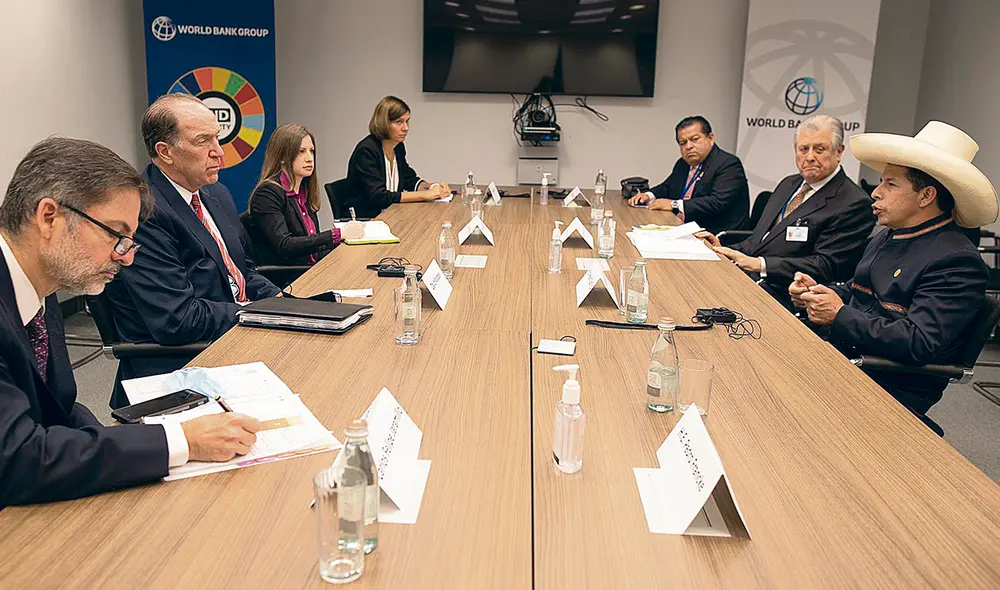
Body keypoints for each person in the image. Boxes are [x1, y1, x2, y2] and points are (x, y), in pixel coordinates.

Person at [0, 137, 261, 506]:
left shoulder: (39, 284)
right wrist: (181, 441)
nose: (126, 258)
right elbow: (15, 459)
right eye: (115, 234)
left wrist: (123, 444)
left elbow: (59, 408)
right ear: (49, 217)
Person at [791, 121, 996, 429]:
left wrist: (839, 315)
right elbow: (855, 289)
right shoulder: (888, 236)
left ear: (926, 196)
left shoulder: (957, 261)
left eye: (890, 184)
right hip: (847, 358)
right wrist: (818, 292)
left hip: (886, 385)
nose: (876, 193)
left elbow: (918, 342)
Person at [105, 94, 280, 408]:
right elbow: (176, 319)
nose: (219, 154)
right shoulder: (144, 211)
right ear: (165, 152)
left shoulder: (216, 193)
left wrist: (282, 303)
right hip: (183, 363)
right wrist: (257, 312)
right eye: (203, 141)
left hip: (233, 336)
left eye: (217, 137)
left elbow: (244, 273)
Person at [699, 115, 875, 308]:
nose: (809, 157)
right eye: (803, 149)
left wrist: (759, 264)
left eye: (819, 149)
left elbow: (825, 265)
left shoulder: (854, 203)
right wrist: (725, 249)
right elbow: (760, 241)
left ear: (839, 152)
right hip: (750, 278)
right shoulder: (789, 184)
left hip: (788, 293)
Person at [628, 116, 750, 233]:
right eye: (682, 143)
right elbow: (667, 186)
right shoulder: (683, 164)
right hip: (684, 228)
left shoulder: (728, 164)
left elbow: (716, 203)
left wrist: (673, 205)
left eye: (695, 139)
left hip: (716, 236)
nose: (689, 146)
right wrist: (648, 195)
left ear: (711, 138)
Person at [344, 96, 450, 218]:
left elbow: (409, 179)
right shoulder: (367, 151)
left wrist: (433, 187)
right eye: (399, 122)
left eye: (407, 121)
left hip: (392, 215)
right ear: (384, 123)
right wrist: (426, 195)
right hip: (367, 221)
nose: (406, 128)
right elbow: (379, 196)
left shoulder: (398, 147)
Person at [248, 124, 339, 266]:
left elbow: (313, 247)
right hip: (289, 277)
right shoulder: (267, 194)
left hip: (311, 269)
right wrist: (335, 235)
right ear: (282, 157)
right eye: (301, 151)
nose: (309, 158)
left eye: (311, 151)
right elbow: (285, 246)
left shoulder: (304, 191)